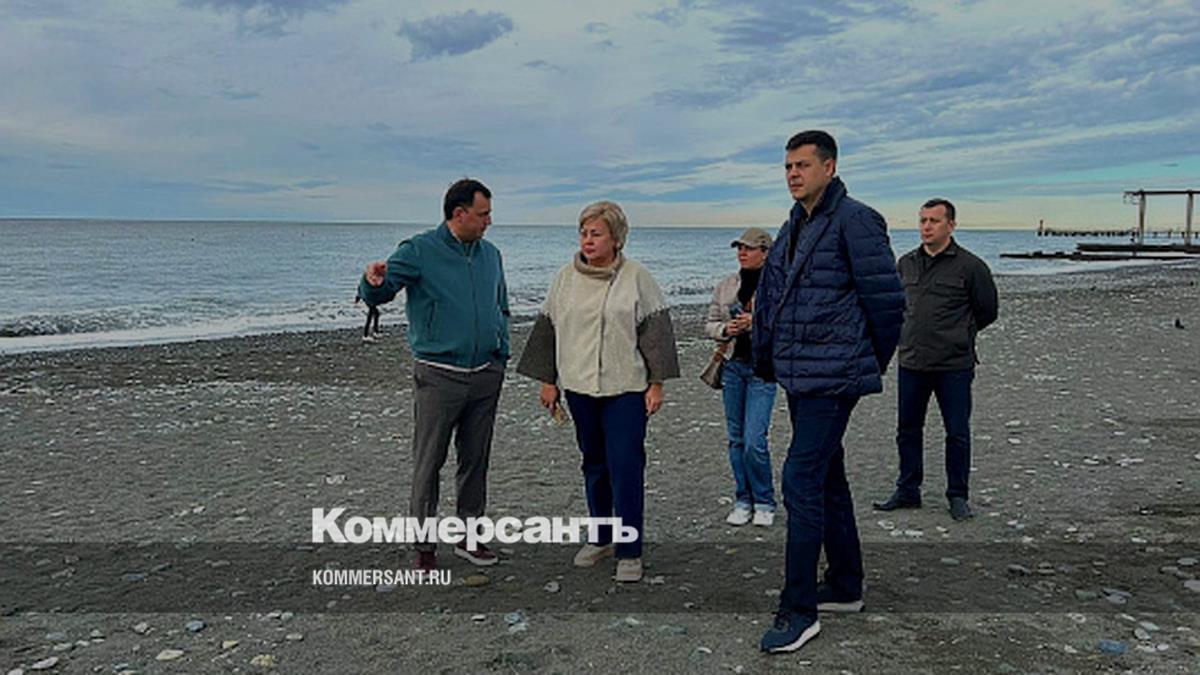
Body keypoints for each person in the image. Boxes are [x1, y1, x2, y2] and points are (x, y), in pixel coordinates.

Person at [752, 130, 905, 654]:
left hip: (832, 376)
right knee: (827, 478)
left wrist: (862, 364)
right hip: (799, 375)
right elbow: (776, 296)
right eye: (788, 166)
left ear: (829, 167)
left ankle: (798, 611)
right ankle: (844, 584)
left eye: (802, 165)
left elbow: (888, 304)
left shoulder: (856, 219)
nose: (793, 174)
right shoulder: (795, 223)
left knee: (799, 478)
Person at [517, 200, 680, 583]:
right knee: (594, 463)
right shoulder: (565, 278)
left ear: (616, 239)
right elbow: (548, 329)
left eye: (596, 234)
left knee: (625, 466)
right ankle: (601, 537)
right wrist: (548, 380)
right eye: (584, 233)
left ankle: (630, 550)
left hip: (626, 388)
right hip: (579, 387)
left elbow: (656, 334)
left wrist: (656, 384)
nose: (588, 240)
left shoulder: (637, 277)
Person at [359, 178, 509, 572]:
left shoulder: (491, 255)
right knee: (429, 463)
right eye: (483, 214)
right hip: (439, 376)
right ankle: (423, 546)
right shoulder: (419, 250)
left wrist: (501, 354)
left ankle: (469, 538)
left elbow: (501, 307)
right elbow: (382, 290)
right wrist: (371, 282)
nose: (489, 221)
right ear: (459, 214)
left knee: (475, 462)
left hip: (485, 375)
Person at [872, 198, 998, 521]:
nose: (927, 227)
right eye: (923, 220)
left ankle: (957, 495)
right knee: (908, 430)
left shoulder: (971, 267)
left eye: (934, 221)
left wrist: (958, 335)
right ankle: (907, 490)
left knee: (956, 432)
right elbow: (896, 306)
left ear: (950, 225)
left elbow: (987, 311)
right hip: (912, 362)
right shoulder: (906, 263)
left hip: (953, 365)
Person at [705, 227, 778, 527]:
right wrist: (726, 329)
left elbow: (788, 325)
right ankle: (743, 499)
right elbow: (710, 323)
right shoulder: (726, 285)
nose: (742, 253)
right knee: (736, 439)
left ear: (766, 252)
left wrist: (755, 322)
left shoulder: (779, 285)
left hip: (763, 370)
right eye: (739, 248)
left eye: (748, 248)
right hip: (733, 366)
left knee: (754, 440)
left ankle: (765, 500)